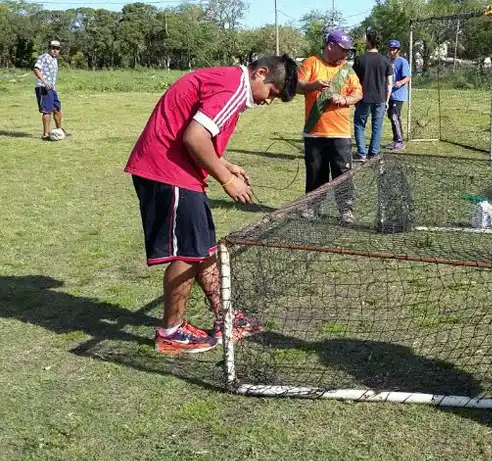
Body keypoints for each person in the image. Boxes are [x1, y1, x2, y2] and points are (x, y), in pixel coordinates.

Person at [125, 55, 298, 354]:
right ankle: (171, 332)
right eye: (272, 93)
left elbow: (196, 134)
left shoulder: (229, 83)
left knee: (203, 247)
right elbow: (194, 137)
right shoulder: (234, 86)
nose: (269, 101)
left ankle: (226, 317)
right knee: (188, 253)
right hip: (168, 172)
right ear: (260, 73)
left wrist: (223, 164)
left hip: (181, 171)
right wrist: (226, 180)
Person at [297, 30, 363, 224]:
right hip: (315, 132)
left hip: (340, 132)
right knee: (316, 173)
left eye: (348, 51)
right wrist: (314, 85)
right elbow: (298, 86)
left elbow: (358, 94)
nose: (346, 54)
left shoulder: (347, 70)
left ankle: (346, 210)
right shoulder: (311, 62)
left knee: (343, 174)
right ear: (330, 46)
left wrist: (344, 99)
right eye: (343, 50)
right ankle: (312, 207)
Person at [352, 30, 393, 160]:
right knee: (377, 126)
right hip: (380, 98)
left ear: (368, 42)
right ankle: (373, 153)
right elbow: (389, 83)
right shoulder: (385, 60)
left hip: (363, 98)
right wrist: (386, 100)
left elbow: (352, 80)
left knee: (359, 124)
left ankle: (361, 152)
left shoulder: (360, 59)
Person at [33, 40, 66, 140]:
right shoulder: (44, 57)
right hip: (43, 87)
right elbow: (36, 69)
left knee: (57, 108)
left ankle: (59, 131)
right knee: (47, 111)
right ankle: (46, 135)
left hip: (52, 88)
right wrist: (44, 82)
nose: (55, 50)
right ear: (49, 48)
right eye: (53, 48)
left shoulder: (55, 60)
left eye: (57, 48)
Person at [386, 40, 410, 151]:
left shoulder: (402, 62)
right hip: (390, 94)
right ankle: (395, 140)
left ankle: (400, 141)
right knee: (391, 116)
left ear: (398, 50)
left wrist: (400, 82)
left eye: (394, 49)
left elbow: (408, 77)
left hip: (399, 95)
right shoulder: (388, 61)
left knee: (395, 116)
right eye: (390, 49)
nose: (391, 51)